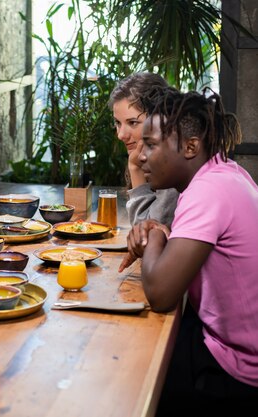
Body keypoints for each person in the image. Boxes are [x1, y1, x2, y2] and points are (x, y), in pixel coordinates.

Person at [122, 87, 258, 415]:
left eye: (151, 145)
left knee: (131, 378)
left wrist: (155, 234)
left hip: (237, 370)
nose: (140, 157)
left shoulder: (208, 191)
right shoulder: (225, 174)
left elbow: (160, 293)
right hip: (230, 344)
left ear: (190, 146)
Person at [109, 72, 179, 227]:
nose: (121, 135)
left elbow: (146, 234)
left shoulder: (176, 165)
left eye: (133, 122)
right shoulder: (152, 161)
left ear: (160, 119)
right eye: (118, 123)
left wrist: (135, 169)